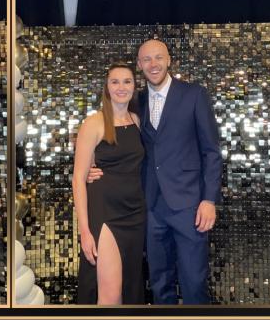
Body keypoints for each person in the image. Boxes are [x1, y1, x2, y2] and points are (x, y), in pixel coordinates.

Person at [93, 38, 222, 305]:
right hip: (149, 206)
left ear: (169, 60)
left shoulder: (194, 94)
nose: (153, 64)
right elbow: (112, 133)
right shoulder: (135, 101)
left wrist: (209, 200)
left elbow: (211, 151)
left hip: (189, 206)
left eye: (158, 57)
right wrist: (90, 166)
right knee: (159, 282)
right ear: (139, 64)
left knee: (194, 281)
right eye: (147, 59)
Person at [73, 64, 146, 305]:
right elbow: (78, 178)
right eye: (115, 82)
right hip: (105, 213)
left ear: (134, 86)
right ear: (106, 87)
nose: (121, 87)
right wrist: (85, 231)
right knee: (110, 294)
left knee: (129, 288)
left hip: (135, 213)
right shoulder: (93, 123)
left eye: (127, 81)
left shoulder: (137, 121)